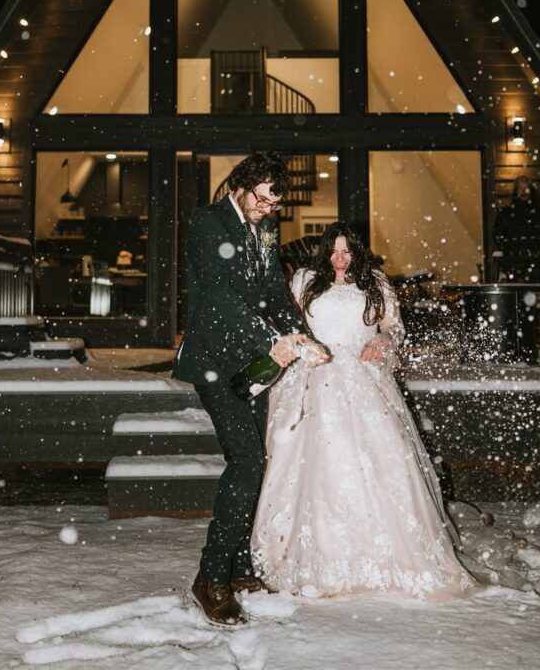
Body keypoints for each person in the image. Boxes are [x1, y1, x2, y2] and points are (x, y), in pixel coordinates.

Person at [251, 221, 478, 601]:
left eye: (347, 252)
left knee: (380, 461)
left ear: (358, 252)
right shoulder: (305, 279)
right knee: (308, 463)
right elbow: (285, 323)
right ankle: (307, 554)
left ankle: (386, 553)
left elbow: (395, 328)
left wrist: (381, 340)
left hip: (362, 377)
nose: (339, 260)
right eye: (333, 252)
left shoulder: (375, 282)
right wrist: (298, 344)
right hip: (312, 376)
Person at [172, 152, 327, 626]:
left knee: (255, 458)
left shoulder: (263, 229)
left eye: (272, 206)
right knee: (246, 459)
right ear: (240, 186)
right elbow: (220, 294)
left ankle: (238, 565)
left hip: (256, 365)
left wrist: (301, 334)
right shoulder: (207, 222)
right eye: (260, 201)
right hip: (215, 360)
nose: (265, 211)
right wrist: (274, 340)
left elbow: (273, 293)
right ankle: (210, 577)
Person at [492, 175, 540, 289]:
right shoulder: (507, 214)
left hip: (539, 262)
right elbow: (497, 234)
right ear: (515, 191)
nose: (523, 191)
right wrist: (507, 248)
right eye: (520, 188)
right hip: (515, 261)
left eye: (526, 188)